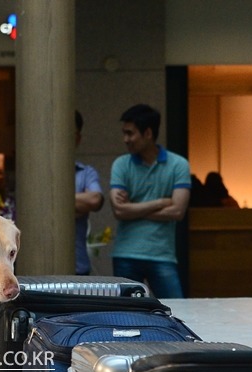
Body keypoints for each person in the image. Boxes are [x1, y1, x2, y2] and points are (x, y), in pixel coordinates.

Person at [110, 104, 191, 298]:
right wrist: (161, 202)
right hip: (126, 254)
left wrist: (134, 208)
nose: (125, 139)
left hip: (162, 254)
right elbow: (119, 211)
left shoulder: (178, 165)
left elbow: (178, 212)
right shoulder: (121, 165)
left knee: (175, 310)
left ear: (148, 133)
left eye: (130, 133)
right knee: (125, 315)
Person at [74, 111, 104, 275]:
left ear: (78, 138)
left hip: (78, 265)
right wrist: (77, 205)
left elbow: (95, 199)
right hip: (40, 268)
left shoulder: (86, 172)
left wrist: (54, 205)